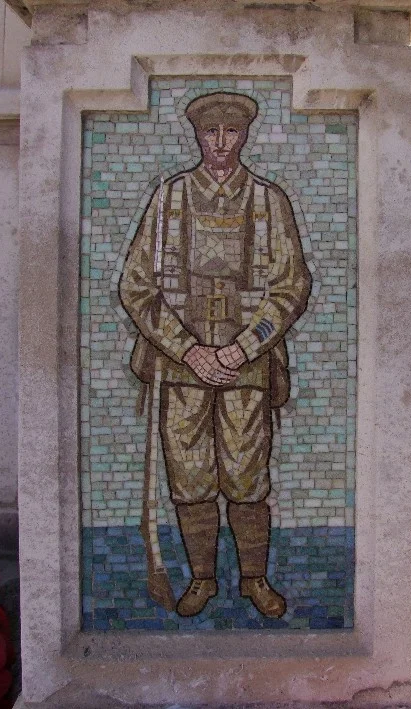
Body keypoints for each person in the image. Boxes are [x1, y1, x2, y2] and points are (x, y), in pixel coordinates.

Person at [120, 92, 312, 618]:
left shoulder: (270, 201)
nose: (222, 144)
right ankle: (202, 578)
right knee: (189, 476)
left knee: (248, 477)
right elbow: (137, 287)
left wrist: (243, 347)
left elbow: (292, 287)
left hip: (247, 371)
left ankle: (254, 578)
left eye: (232, 133)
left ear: (245, 135)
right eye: (212, 133)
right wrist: (188, 350)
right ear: (198, 136)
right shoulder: (170, 199)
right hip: (181, 371)